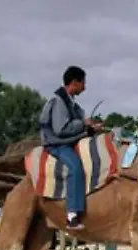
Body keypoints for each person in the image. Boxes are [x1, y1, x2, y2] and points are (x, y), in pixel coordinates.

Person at [38, 66, 103, 230]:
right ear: (74, 82)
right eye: (83, 83)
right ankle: (72, 214)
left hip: (68, 141)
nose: (85, 87)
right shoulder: (59, 101)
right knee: (75, 168)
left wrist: (90, 129)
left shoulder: (70, 102)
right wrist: (84, 124)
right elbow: (61, 129)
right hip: (57, 144)